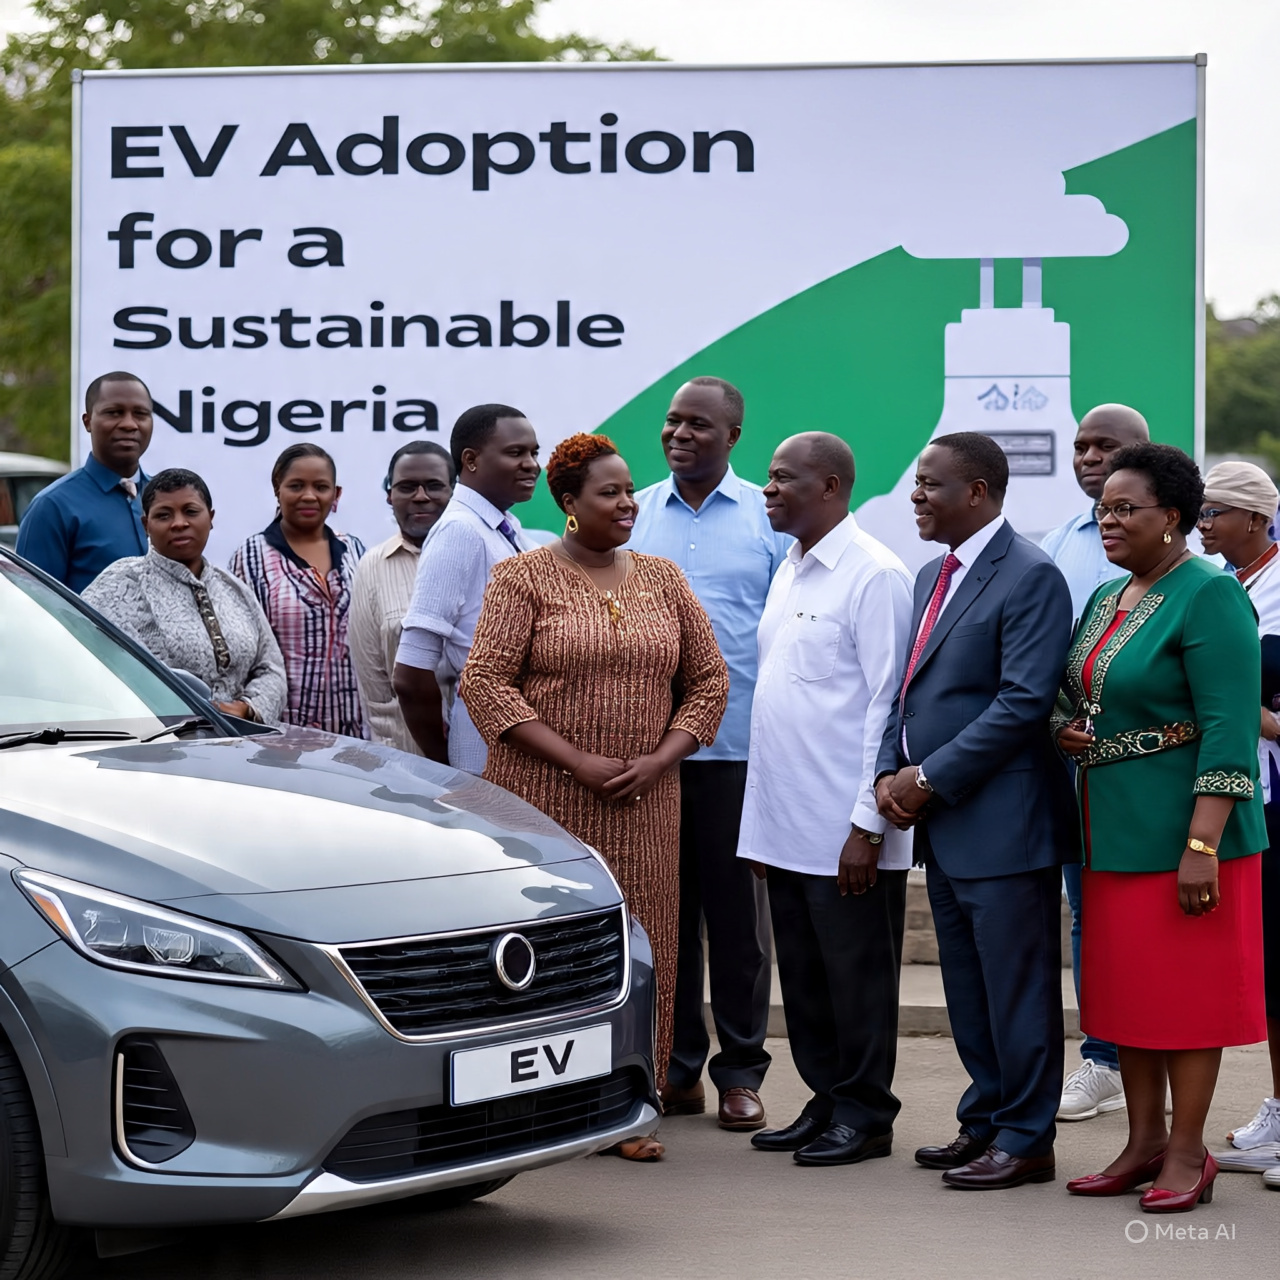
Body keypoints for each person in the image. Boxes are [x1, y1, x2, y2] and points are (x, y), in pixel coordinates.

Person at [459, 433, 728, 1161]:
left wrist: (661, 758)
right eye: (608, 493)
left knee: (646, 948)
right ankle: (541, 1102)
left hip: (646, 803)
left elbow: (709, 682)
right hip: (542, 803)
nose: (627, 504)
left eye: (629, 490)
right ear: (570, 505)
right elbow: (483, 683)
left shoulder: (665, 579)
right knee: (549, 954)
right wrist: (575, 759)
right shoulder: (522, 579)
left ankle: (629, 1102)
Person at [1056, 443, 1267, 1213]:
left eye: (1124, 508)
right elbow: (1073, 693)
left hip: (1187, 839)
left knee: (1185, 1000)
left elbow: (1229, 729)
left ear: (1172, 517)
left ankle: (1188, 1151)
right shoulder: (1108, 597)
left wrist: (1202, 846)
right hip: (1109, 831)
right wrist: (1064, 731)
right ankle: (1143, 1141)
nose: (1107, 519)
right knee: (1125, 998)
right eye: (1103, 508)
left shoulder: (1209, 595)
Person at [875, 431, 1076, 1191]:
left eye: (930, 484)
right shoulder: (934, 573)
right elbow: (912, 691)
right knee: (968, 989)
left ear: (980, 493)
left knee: (1016, 991)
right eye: (917, 483)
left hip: (1004, 822)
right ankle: (986, 1119)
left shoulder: (1031, 576)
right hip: (946, 824)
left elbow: (1023, 702)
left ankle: (1027, 1138)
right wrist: (890, 771)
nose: (916, 496)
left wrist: (927, 778)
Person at [737, 433, 913, 1166]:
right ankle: (826, 1100)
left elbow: (886, 707)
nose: (770, 489)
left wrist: (867, 826)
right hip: (785, 823)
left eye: (785, 478)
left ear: (833, 486)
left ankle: (866, 1115)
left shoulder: (875, 575)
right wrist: (759, 831)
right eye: (770, 478)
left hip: (846, 830)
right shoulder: (791, 568)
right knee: (805, 982)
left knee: (857, 981)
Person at [629, 377, 788, 1131]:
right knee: (665, 918)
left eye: (697, 424)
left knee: (736, 926)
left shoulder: (769, 518)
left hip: (738, 752)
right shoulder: (634, 516)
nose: (678, 434)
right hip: (650, 758)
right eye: (671, 422)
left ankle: (741, 1072)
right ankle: (678, 1069)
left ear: (732, 436)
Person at [1040, 404, 1150, 1123]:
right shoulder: (1055, 544)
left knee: (1141, 915)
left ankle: (1144, 1054)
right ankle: (1104, 1058)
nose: (1087, 456)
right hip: (1072, 764)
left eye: (1104, 446)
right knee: (1088, 914)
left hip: (1148, 774)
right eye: (1080, 445)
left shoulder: (1186, 563)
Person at [1195, 460, 1280, 1167]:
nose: (1203, 522)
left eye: (1216, 510)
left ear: (1255, 518)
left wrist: (1224, 705)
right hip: (1253, 799)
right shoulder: (1224, 585)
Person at [393, 405, 541, 772]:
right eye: (516, 453)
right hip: (486, 754)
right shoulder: (459, 532)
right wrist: (445, 763)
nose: (532, 464)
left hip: (520, 746)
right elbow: (410, 674)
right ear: (471, 460)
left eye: (534, 452)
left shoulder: (505, 527)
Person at [82, 468, 285, 724]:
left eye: (191, 511)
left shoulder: (233, 587)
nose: (179, 523)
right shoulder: (119, 584)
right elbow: (96, 666)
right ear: (146, 525)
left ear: (210, 518)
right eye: (164, 515)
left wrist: (247, 708)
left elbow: (272, 667)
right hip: (160, 746)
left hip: (241, 743)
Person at [230, 443, 365, 737]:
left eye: (321, 486)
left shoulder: (354, 550)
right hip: (280, 733)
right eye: (296, 485)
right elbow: (242, 653)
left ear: (336, 494)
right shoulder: (251, 556)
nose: (309, 495)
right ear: (277, 489)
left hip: (353, 736)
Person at [349, 442, 455, 754]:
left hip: (488, 762)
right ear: (389, 495)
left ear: (455, 492)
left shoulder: (485, 555)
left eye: (434, 486)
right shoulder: (373, 566)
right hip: (408, 766)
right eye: (407, 487)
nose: (421, 496)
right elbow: (376, 692)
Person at [17, 372, 153, 592]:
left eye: (140, 414)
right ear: (88, 421)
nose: (129, 424)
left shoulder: (166, 498)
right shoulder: (52, 507)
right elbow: (34, 607)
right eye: (114, 413)